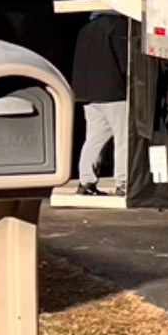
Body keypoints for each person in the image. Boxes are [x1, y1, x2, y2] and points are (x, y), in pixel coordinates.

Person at [71, 11, 130, 196]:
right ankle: (124, 183)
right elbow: (125, 60)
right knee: (124, 139)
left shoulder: (85, 29)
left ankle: (86, 182)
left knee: (95, 139)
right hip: (113, 92)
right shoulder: (117, 26)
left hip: (89, 94)